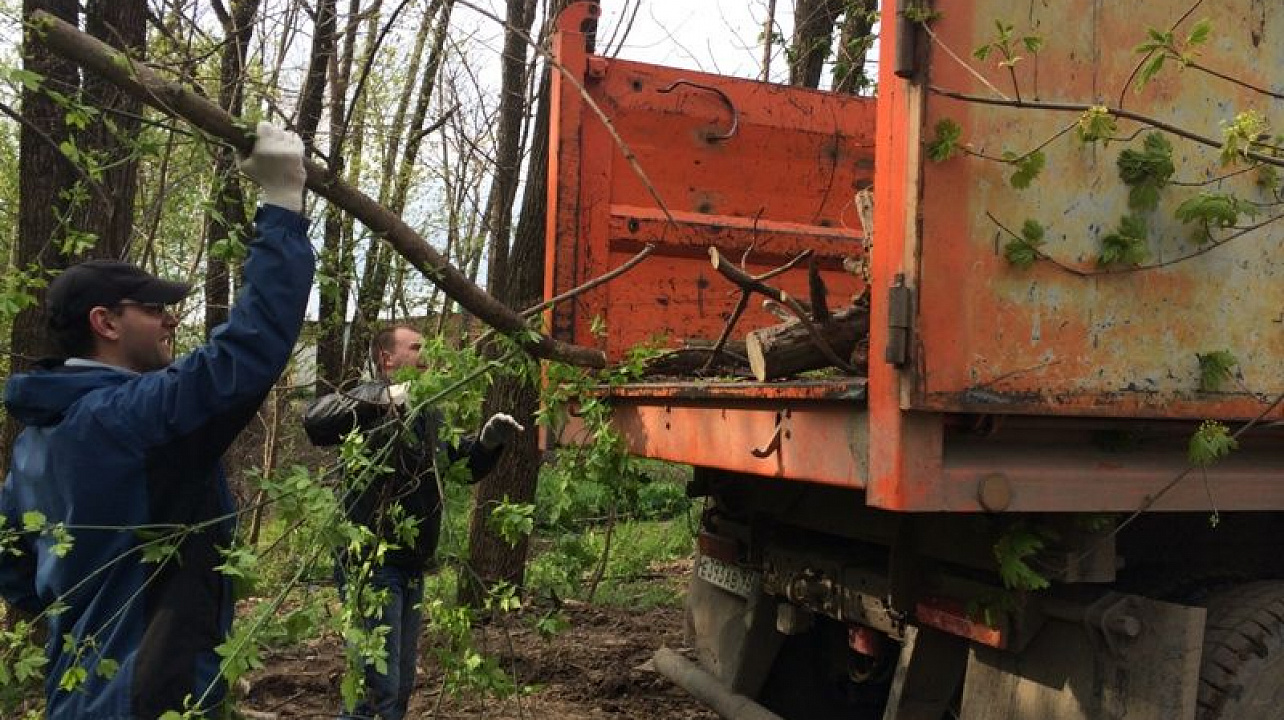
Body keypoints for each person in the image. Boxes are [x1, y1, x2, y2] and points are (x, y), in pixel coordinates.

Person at [0, 122, 313, 719]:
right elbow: (241, 359)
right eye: (153, 309)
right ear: (106, 322)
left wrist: (84, 598)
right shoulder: (123, 420)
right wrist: (281, 203)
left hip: (80, 687)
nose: (170, 320)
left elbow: (13, 566)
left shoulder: (35, 442)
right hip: (149, 696)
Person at [302, 325, 523, 720]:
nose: (427, 354)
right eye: (417, 347)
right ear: (388, 359)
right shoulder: (367, 401)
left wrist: (488, 444)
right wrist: (384, 398)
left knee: (399, 686)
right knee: (375, 687)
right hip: (370, 564)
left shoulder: (429, 411)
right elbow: (316, 420)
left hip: (410, 565)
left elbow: (458, 465)